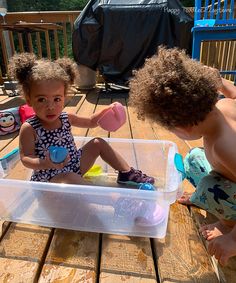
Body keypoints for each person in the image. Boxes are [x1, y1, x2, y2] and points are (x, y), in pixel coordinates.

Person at [129, 46, 236, 266]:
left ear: (182, 128)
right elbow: (233, 92)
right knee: (194, 159)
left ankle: (228, 223)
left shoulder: (224, 147)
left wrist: (232, 239)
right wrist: (222, 83)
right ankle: (212, 203)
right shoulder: (224, 104)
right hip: (229, 178)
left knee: (207, 187)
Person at [9, 53, 154, 186]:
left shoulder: (66, 117)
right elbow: (26, 158)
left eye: (57, 99)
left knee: (98, 142)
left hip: (74, 165)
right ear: (28, 100)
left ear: (64, 97)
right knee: (69, 177)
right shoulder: (30, 128)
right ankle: (106, 198)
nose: (50, 106)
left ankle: (126, 173)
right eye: (41, 99)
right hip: (50, 177)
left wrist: (106, 110)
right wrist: (45, 163)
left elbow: (91, 121)